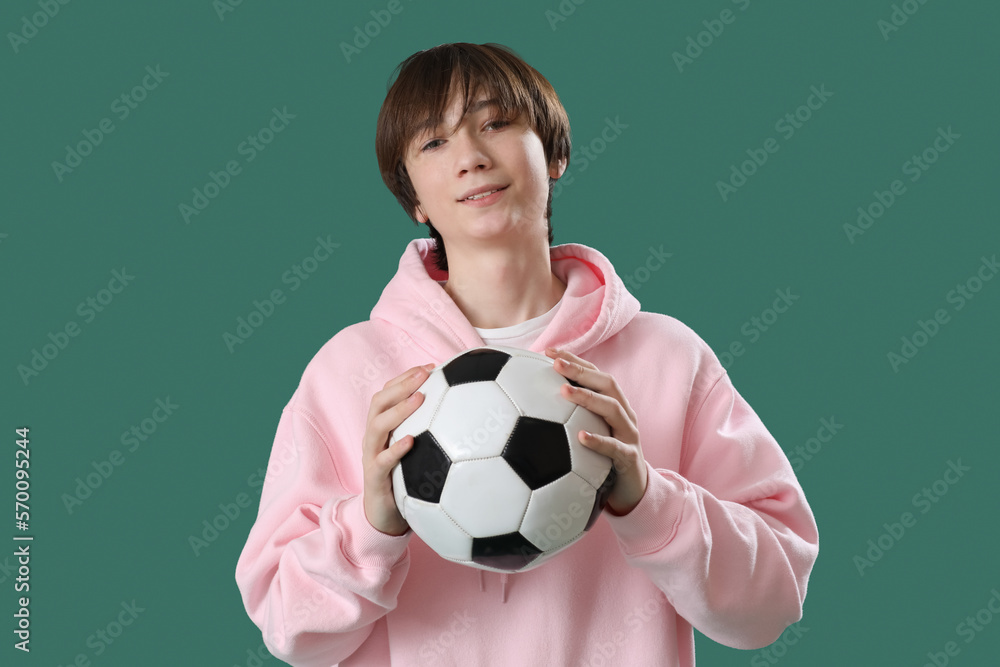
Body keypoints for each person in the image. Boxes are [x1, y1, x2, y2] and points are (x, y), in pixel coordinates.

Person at [235, 42, 819, 666]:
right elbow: (289, 630)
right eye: (434, 142)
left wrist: (649, 500)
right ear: (414, 200)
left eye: (496, 123)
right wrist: (371, 526)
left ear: (557, 153)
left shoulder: (668, 358)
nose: (471, 158)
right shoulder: (349, 371)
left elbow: (774, 599)